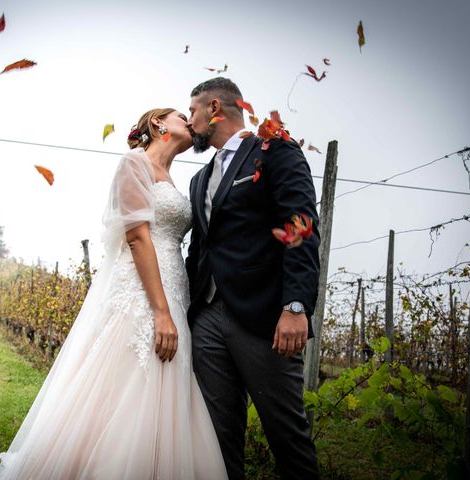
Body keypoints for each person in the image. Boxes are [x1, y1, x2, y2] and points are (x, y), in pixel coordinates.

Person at [0, 108, 227, 480]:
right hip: (143, 293)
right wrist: (160, 312)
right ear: (159, 124)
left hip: (175, 288)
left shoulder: (176, 182)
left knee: (166, 385)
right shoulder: (134, 163)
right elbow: (137, 236)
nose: (189, 120)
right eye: (180, 114)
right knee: (126, 383)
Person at [185, 77, 321, 480]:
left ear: (214, 108)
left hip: (264, 319)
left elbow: (300, 225)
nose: (189, 121)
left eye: (192, 111)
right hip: (207, 320)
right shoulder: (199, 180)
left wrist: (295, 306)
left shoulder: (275, 151)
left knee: (287, 437)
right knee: (217, 439)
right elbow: (200, 249)